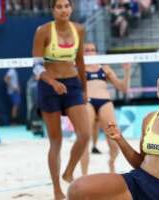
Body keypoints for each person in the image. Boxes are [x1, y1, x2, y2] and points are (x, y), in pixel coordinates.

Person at [67, 65, 159, 200]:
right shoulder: (149, 119)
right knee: (77, 188)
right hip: (138, 180)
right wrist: (120, 140)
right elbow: (140, 163)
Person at [32, 0, 91, 199]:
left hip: (72, 84)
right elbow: (37, 67)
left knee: (84, 134)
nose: (64, 10)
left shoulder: (79, 29)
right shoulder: (43, 31)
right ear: (53, 10)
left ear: (71, 8)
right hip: (49, 86)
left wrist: (84, 88)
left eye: (67, 6)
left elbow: (80, 60)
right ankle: (57, 189)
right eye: (59, 6)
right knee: (55, 141)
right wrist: (53, 82)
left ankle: (69, 171)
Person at [80, 42, 131, 175]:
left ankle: (111, 163)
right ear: (82, 53)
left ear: (96, 52)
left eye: (92, 50)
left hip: (105, 102)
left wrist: (127, 71)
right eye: (87, 50)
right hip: (87, 102)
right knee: (85, 139)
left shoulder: (105, 68)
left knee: (114, 140)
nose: (90, 52)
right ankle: (84, 175)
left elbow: (123, 88)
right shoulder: (79, 68)